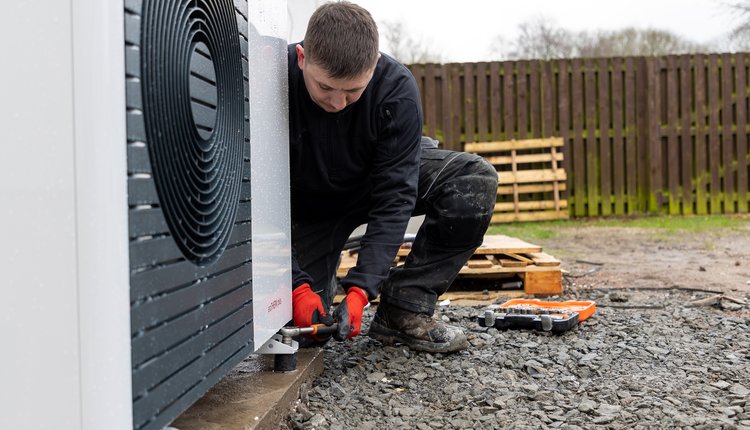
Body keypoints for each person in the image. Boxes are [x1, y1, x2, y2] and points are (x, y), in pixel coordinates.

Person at [288, 1, 497, 353]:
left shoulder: (396, 88)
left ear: (375, 66)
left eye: (353, 91)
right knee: (307, 333)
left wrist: (361, 289)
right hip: (309, 205)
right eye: (325, 88)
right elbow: (251, 198)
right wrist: (294, 284)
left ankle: (403, 308)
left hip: (375, 183)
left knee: (473, 182)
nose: (338, 103)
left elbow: (396, 195)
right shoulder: (263, 83)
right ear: (301, 58)